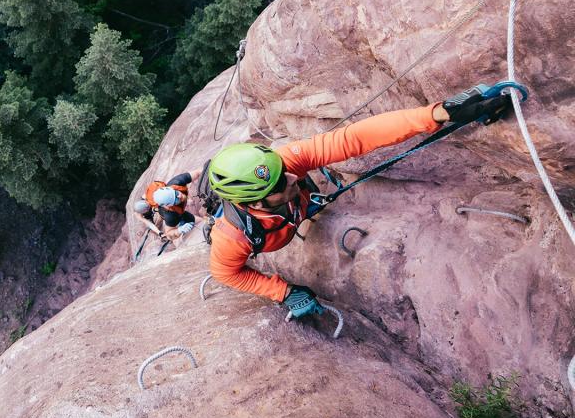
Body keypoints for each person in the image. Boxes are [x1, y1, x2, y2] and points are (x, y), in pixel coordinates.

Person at [206, 86, 511, 319]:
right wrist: (282, 291)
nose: (291, 176)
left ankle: (305, 209)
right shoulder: (231, 238)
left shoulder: (285, 164)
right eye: (279, 182)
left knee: (299, 183)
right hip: (275, 231)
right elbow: (226, 274)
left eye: (284, 170)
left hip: (290, 213)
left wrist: (436, 114)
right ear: (256, 202)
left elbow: (352, 138)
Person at [133, 169, 203, 242]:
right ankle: (178, 220)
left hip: (166, 201)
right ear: (168, 205)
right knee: (171, 216)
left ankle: (181, 210)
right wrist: (178, 231)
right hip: (170, 212)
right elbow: (167, 233)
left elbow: (198, 172)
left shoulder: (176, 183)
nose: (179, 196)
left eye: (176, 193)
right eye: (175, 199)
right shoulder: (170, 214)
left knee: (169, 213)